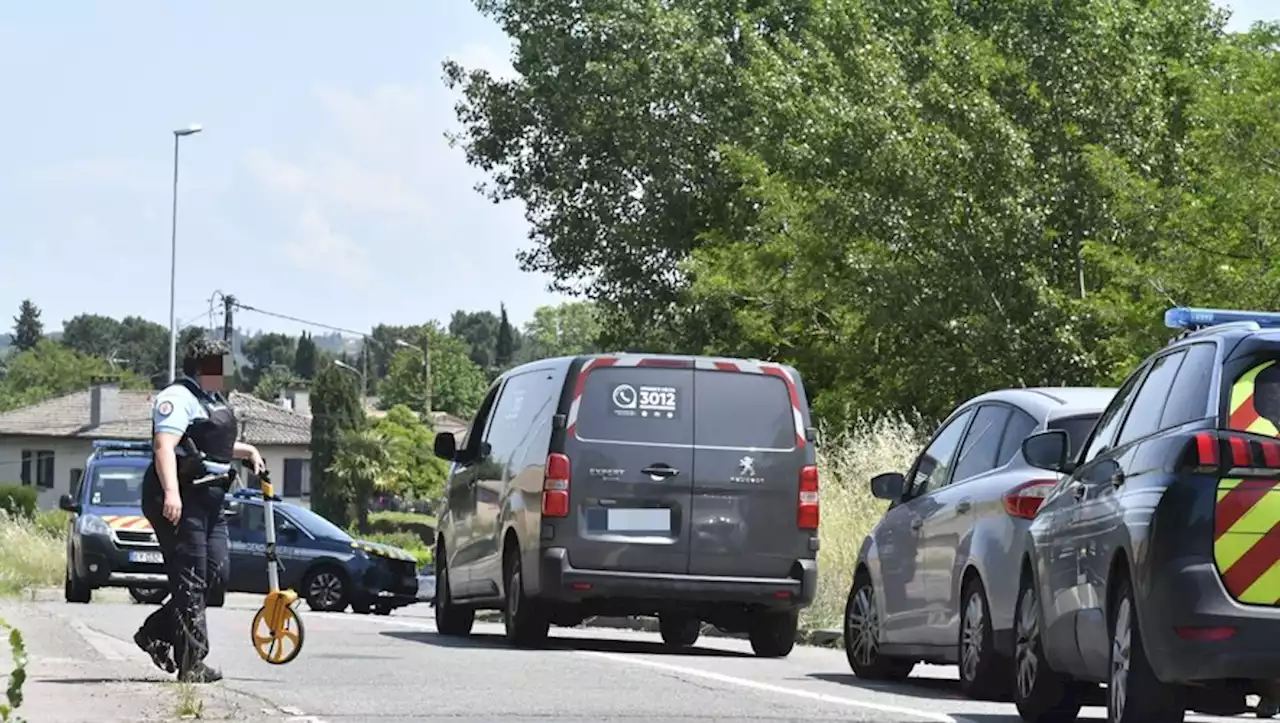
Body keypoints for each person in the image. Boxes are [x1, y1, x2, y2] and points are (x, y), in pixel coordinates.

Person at [132, 337, 265, 683]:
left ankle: (154, 632)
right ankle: (192, 663)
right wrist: (171, 493)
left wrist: (246, 450)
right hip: (181, 499)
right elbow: (164, 446)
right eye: (221, 366)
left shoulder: (210, 399)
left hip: (211, 498)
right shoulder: (177, 398)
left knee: (215, 575)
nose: (228, 373)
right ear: (203, 368)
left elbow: (207, 444)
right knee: (190, 578)